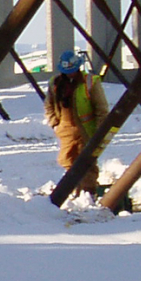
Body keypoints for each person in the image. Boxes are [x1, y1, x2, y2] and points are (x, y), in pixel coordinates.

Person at [44, 50, 109, 196]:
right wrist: (55, 123)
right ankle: (76, 189)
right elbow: (49, 104)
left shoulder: (90, 82)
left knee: (87, 163)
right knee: (67, 160)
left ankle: (89, 192)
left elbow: (101, 108)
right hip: (65, 129)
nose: (70, 74)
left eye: (72, 71)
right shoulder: (55, 83)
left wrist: (99, 132)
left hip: (87, 130)